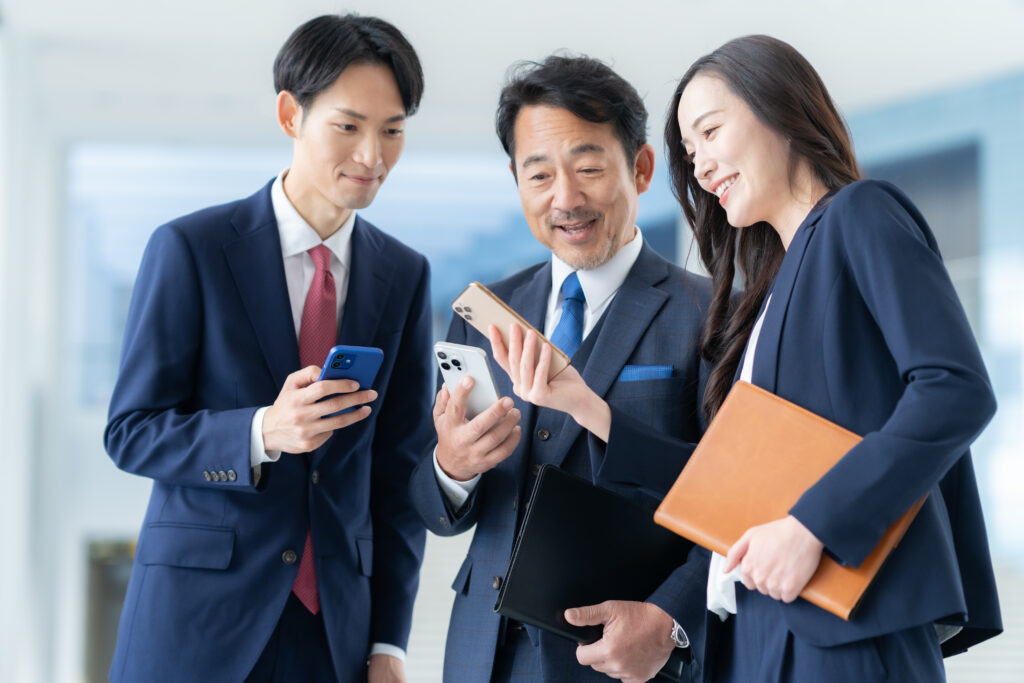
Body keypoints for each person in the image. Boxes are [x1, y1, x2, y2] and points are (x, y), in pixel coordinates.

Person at [547, 34, 1001, 681]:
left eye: (709, 131)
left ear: (779, 108)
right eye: (689, 149)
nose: (700, 165)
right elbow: (734, 485)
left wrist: (812, 524)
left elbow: (954, 388)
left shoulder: (859, 215)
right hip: (757, 640)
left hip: (841, 638)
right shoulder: (766, 295)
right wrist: (583, 404)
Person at [103, 14, 432, 683]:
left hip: (333, 633)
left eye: (392, 130)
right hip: (198, 624)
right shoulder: (191, 250)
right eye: (349, 126)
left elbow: (397, 477)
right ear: (290, 114)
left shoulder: (404, 274)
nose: (373, 155)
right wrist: (261, 430)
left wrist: (389, 642)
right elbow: (131, 432)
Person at [409, 54, 713, 683]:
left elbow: (734, 505)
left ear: (642, 167)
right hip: (481, 656)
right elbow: (434, 507)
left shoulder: (712, 313)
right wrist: (451, 468)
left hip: (623, 657)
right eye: (539, 174)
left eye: (590, 169)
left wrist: (670, 620)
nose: (566, 199)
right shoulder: (483, 313)